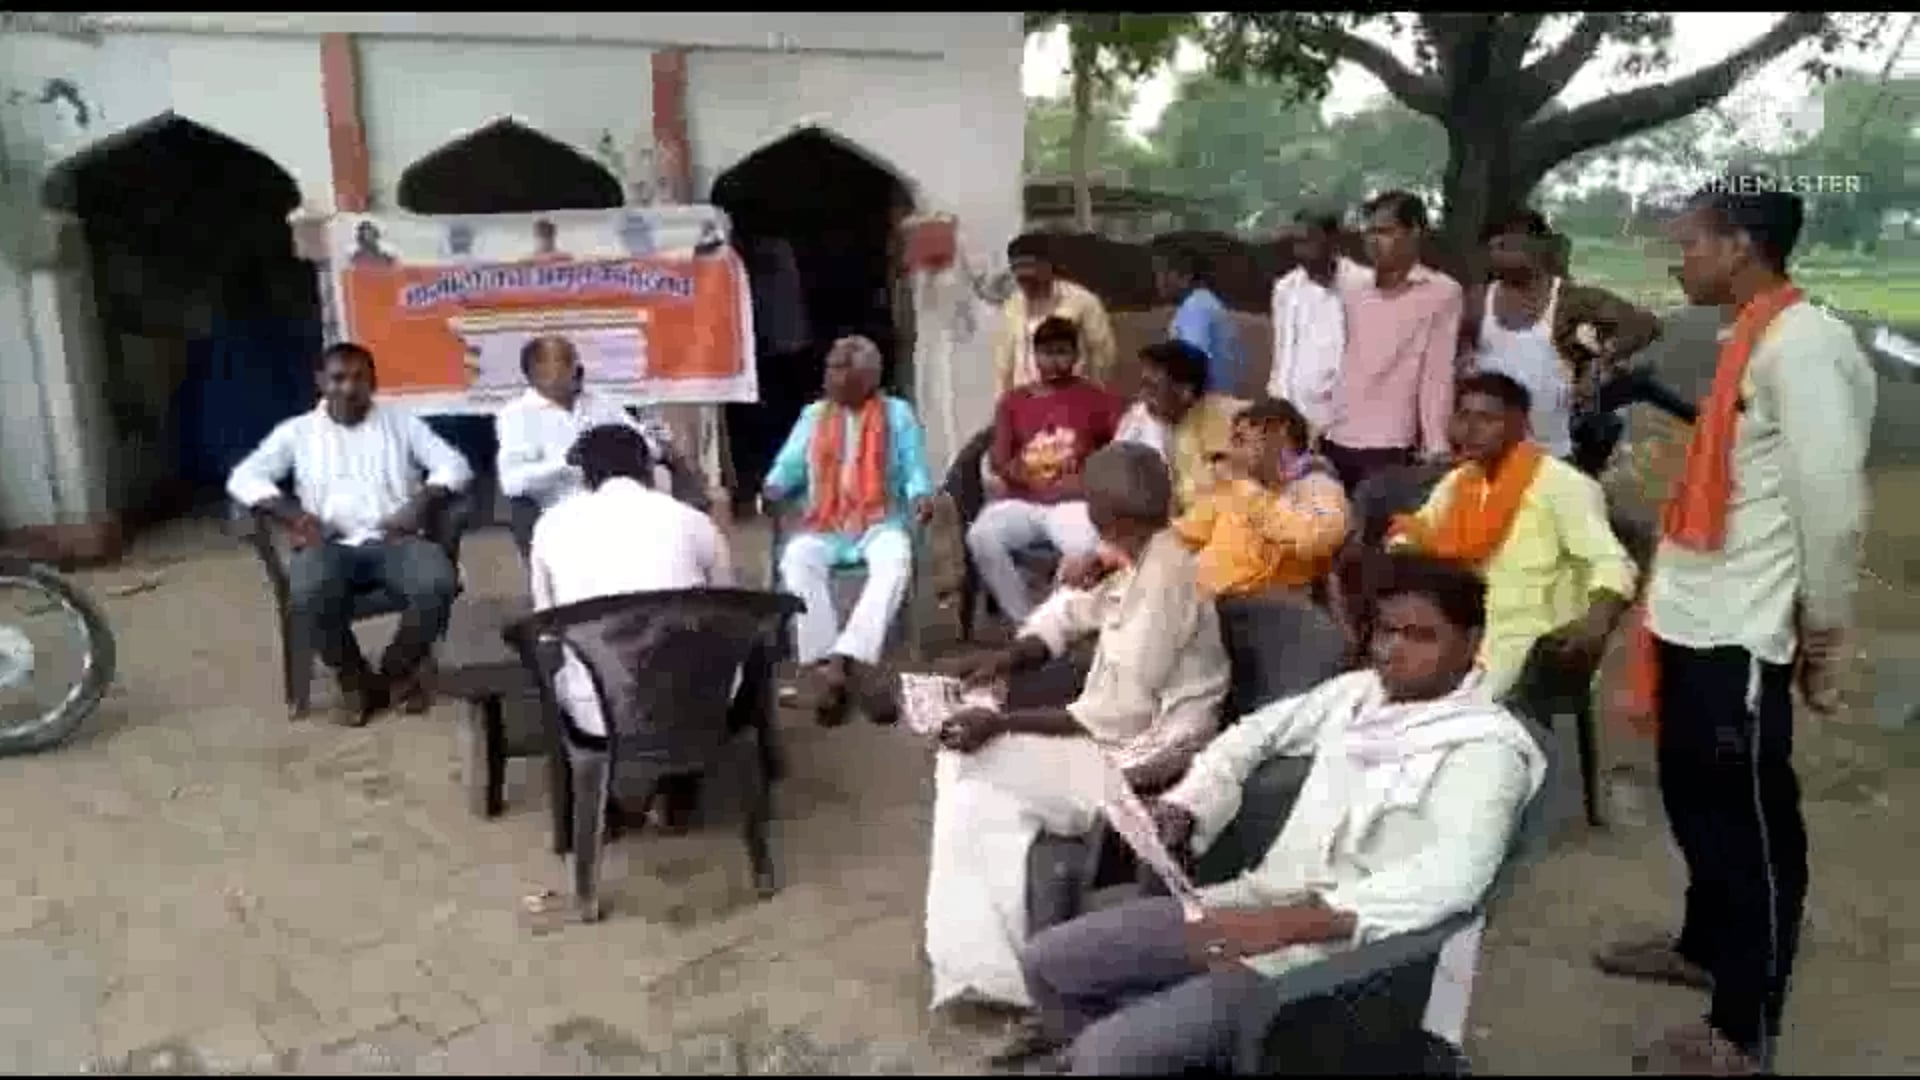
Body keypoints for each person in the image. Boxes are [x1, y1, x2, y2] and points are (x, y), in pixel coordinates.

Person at [1003, 553, 1544, 1074]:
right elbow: (1254, 735)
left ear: (1471, 643)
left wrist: (1287, 925)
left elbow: (1452, 879)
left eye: (1420, 636)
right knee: (1048, 964)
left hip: (1338, 961)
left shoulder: (1485, 751)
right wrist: (1187, 805)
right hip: (1251, 903)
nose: (1391, 651)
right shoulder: (1359, 696)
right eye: (1386, 631)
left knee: (1108, 1053)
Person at [1599, 179, 1876, 1076]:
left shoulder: (1805, 344)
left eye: (1690, 243)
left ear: (1741, 247)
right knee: (1693, 798)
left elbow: (1831, 504)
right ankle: (1704, 946)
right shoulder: (1748, 337)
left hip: (1744, 631)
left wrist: (1824, 629)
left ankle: (1741, 1033)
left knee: (1749, 828)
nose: (1676, 261)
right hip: (1696, 613)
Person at [923, 442, 1229, 1012]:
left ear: (1103, 515)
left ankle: (993, 969)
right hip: (1122, 728)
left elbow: (1115, 716)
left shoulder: (1165, 582)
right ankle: (986, 962)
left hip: (1152, 747)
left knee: (972, 775)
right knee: (970, 785)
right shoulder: (1138, 554)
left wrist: (1001, 721)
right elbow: (1071, 615)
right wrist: (1008, 658)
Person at [227, 342, 472, 724]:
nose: (349, 387)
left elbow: (454, 466)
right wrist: (296, 516)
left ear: (373, 382)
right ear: (321, 381)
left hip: (394, 540)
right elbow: (244, 478)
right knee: (308, 591)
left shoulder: (401, 423)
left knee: (439, 580)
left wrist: (418, 504)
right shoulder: (298, 432)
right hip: (329, 546)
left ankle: (394, 671)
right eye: (338, 378)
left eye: (359, 378)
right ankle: (353, 679)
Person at [529, 424, 739, 833]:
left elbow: (546, 627)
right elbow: (727, 609)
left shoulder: (551, 526)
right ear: (648, 470)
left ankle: (601, 804)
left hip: (599, 712)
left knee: (571, 673)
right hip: (697, 707)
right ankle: (678, 790)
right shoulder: (693, 521)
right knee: (693, 654)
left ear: (585, 477)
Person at [1387, 372, 1636, 699]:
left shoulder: (1563, 485)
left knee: (1439, 705)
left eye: (1486, 419)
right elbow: (1415, 531)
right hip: (1455, 629)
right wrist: (1402, 555)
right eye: (1464, 416)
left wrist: (1596, 620)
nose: (1470, 430)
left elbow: (1611, 562)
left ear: (1520, 425)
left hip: (1524, 644)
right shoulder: (1458, 482)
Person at [765, 334, 937, 725]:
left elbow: (915, 468)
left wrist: (920, 495)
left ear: (869, 378)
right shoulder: (813, 415)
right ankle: (829, 662)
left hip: (880, 520)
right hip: (826, 523)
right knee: (797, 558)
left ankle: (847, 658)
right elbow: (788, 465)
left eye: (841, 368)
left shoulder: (897, 414)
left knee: (895, 558)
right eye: (830, 367)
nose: (831, 376)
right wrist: (773, 486)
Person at [1462, 210, 1664, 470]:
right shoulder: (1478, 299)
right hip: (1491, 450)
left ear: (1539, 247)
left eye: (1508, 246)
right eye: (1493, 248)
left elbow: (1646, 324)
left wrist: (1600, 363)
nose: (1498, 255)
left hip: (1553, 451)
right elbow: (1456, 355)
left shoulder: (1572, 300)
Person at [968, 316, 1125, 624]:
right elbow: (999, 459)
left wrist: (1090, 479)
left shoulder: (1096, 399)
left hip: (1074, 502)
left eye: (1062, 352)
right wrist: (1025, 478)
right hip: (1022, 501)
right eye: (1046, 353)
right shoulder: (1013, 401)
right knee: (980, 536)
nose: (1053, 361)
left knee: (1085, 550)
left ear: (1076, 355)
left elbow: (1123, 444)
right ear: (1034, 355)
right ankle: (1026, 620)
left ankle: (1056, 620)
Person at [1321, 191, 1463, 493]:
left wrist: (1437, 445)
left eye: (1385, 231)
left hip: (1391, 442)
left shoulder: (1441, 293)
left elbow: (1437, 373)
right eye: (1369, 232)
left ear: (1414, 233)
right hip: (1336, 433)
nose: (1374, 241)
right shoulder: (1353, 289)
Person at [495, 335, 694, 520]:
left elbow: (645, 444)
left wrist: (625, 453)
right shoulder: (517, 415)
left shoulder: (600, 402)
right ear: (538, 372)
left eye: (575, 359)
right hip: (565, 513)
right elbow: (513, 482)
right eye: (567, 360)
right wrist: (571, 463)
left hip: (623, 505)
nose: (578, 367)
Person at [1171, 397, 1349, 599]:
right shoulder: (1240, 488)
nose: (1232, 452)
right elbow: (1186, 534)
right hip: (1202, 597)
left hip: (1258, 604)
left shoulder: (1317, 484)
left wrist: (1249, 492)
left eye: (1241, 441)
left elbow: (1316, 537)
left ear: (1277, 434)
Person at [1269, 210, 1370, 438]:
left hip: (1339, 423)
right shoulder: (1286, 288)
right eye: (1296, 242)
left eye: (1308, 241)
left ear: (1333, 241)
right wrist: (1276, 396)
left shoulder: (1364, 286)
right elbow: (1282, 352)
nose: (1300, 251)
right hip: (1288, 419)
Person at [1114, 340, 1244, 513]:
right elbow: (1114, 475)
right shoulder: (1138, 419)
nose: (1143, 395)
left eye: (1153, 388)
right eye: (1143, 385)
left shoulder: (1228, 422)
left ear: (1185, 392)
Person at [994, 236, 1118, 394]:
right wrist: (1002, 401)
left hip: (1071, 399)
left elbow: (1103, 356)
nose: (1023, 274)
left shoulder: (1082, 301)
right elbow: (1004, 365)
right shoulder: (1012, 306)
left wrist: (1094, 396)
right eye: (1017, 269)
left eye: (1029, 266)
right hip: (1026, 401)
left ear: (1047, 265)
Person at [1158, 247, 1244, 395]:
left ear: (1185, 277)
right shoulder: (1204, 302)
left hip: (1208, 403)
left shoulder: (1196, 307)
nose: (1159, 281)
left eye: (1165, 273)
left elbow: (1192, 367)